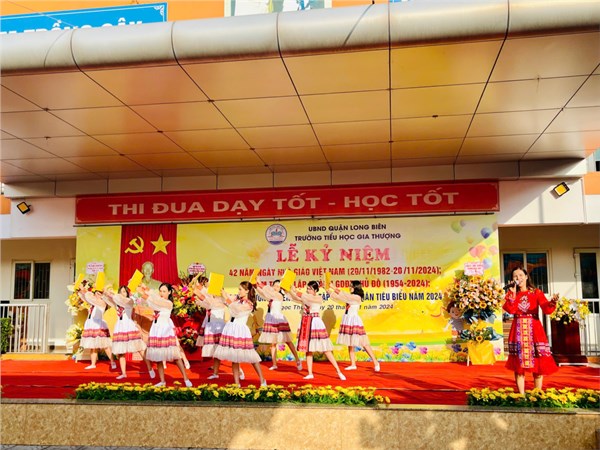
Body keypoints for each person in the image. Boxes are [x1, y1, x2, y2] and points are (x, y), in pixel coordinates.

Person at [503, 266, 558, 395]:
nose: (518, 278)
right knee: (518, 366)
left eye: (521, 275)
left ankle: (537, 395)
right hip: (518, 329)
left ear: (526, 277)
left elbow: (546, 309)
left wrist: (552, 302)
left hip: (534, 330)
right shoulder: (511, 294)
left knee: (538, 363)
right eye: (515, 276)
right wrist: (512, 294)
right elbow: (511, 310)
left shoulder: (536, 292)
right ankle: (521, 395)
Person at [287, 281, 346, 381]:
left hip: (315, 323)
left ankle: (338, 371)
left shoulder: (318, 298)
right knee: (308, 350)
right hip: (306, 323)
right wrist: (287, 290)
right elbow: (295, 297)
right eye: (307, 288)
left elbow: (305, 297)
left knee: (326, 349)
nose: (307, 290)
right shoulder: (305, 297)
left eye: (310, 288)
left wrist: (295, 290)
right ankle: (310, 373)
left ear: (315, 290)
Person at [138, 282, 192, 387]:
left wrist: (144, 291)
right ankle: (162, 381)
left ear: (169, 292)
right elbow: (151, 300)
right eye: (160, 291)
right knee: (158, 357)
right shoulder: (157, 301)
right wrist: (143, 287)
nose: (162, 293)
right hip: (156, 331)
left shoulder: (168, 303)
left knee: (176, 356)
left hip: (165, 331)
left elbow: (153, 300)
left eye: (164, 291)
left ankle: (186, 378)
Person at [213, 281, 267, 387]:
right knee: (234, 358)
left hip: (240, 331)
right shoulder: (237, 300)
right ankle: (237, 383)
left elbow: (235, 309)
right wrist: (222, 292)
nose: (238, 291)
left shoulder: (249, 304)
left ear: (247, 291)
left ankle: (262, 379)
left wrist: (226, 297)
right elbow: (227, 302)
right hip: (231, 328)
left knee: (252, 357)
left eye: (240, 289)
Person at [104, 285, 155, 380]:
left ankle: (150, 368)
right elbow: (108, 299)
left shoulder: (129, 301)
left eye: (124, 291)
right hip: (120, 327)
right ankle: (123, 373)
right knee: (121, 352)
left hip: (129, 326)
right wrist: (106, 292)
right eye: (120, 291)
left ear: (127, 293)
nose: (122, 293)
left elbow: (119, 299)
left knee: (140, 348)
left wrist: (112, 295)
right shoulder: (117, 303)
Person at [328, 281, 380, 372]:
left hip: (354, 321)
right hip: (348, 320)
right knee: (350, 343)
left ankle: (376, 362)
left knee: (364, 343)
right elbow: (337, 297)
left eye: (351, 286)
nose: (349, 287)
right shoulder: (349, 297)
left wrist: (333, 287)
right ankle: (353, 364)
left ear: (356, 287)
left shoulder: (356, 297)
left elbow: (345, 295)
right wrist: (326, 289)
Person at [255, 277, 302, 371]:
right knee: (273, 343)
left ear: (280, 288)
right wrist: (255, 285)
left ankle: (297, 360)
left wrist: (260, 283)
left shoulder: (279, 295)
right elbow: (262, 292)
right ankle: (274, 364)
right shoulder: (271, 296)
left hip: (279, 320)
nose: (276, 288)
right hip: (271, 319)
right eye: (274, 286)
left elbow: (267, 291)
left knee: (288, 341)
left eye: (278, 286)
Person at [193, 278, 227, 380]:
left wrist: (196, 290)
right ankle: (215, 373)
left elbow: (203, 297)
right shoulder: (212, 300)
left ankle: (239, 370)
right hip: (212, 327)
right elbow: (204, 300)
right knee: (215, 352)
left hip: (218, 328)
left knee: (225, 352)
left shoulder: (220, 300)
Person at [78, 287, 116, 370]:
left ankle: (112, 362)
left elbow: (90, 298)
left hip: (98, 325)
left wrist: (86, 292)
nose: (97, 295)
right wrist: (80, 291)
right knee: (93, 346)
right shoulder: (92, 303)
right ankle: (93, 364)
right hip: (91, 324)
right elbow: (85, 298)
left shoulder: (102, 303)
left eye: (99, 293)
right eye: (96, 293)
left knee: (105, 345)